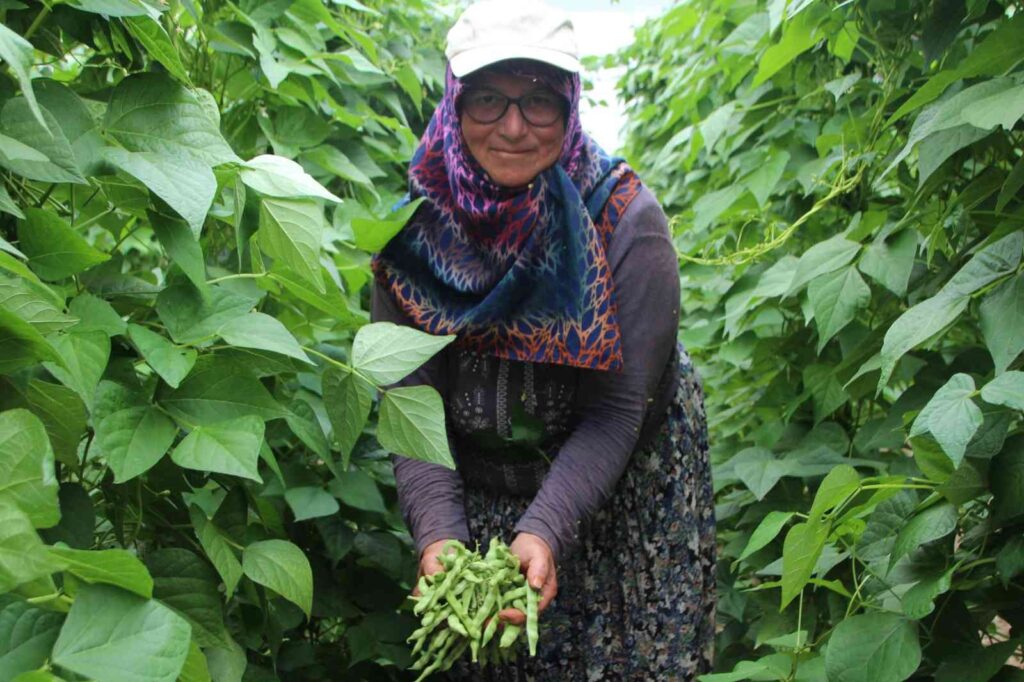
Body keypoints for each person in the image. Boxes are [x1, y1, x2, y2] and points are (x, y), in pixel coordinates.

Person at [370, 1, 716, 678]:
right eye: (487, 100)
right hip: (479, 483)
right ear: (454, 103)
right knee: (494, 649)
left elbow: (618, 409)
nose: (513, 127)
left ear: (569, 106)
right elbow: (410, 396)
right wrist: (439, 532)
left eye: (538, 102)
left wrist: (547, 527)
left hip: (614, 485)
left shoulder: (625, 222)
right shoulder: (414, 232)